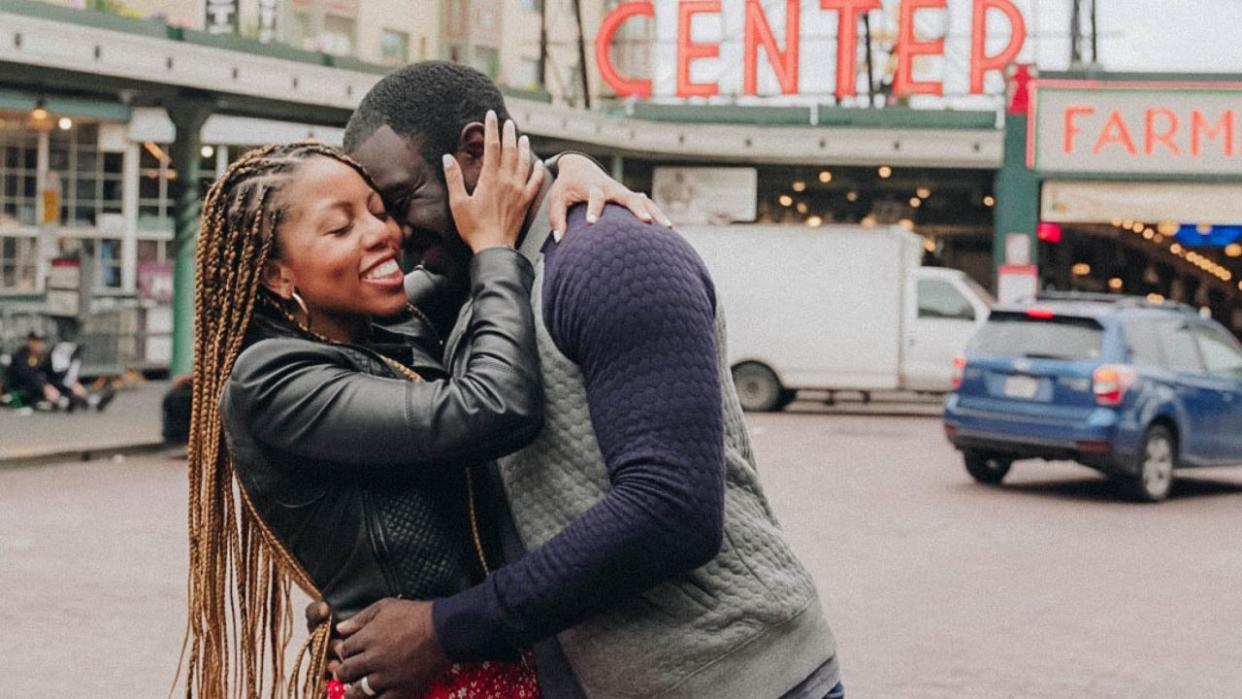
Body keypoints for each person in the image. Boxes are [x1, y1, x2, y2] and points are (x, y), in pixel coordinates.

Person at [324, 61, 843, 699]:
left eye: (403, 201)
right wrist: (375, 593)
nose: (396, 235)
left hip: (737, 681)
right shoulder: (478, 279)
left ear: (477, 151)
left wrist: (443, 629)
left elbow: (671, 510)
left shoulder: (611, 255)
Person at [181, 127, 666, 698]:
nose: (383, 235)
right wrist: (494, 250)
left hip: (482, 660)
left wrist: (570, 166)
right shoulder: (273, 381)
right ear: (275, 274)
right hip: (417, 681)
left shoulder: (384, 322)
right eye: (340, 228)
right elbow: (493, 408)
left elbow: (491, 209)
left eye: (379, 212)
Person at [3, 331, 112, 412]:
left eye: (41, 342)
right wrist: (45, 386)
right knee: (47, 388)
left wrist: (69, 383)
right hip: (22, 387)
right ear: (30, 342)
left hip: (40, 383)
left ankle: (91, 401)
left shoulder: (42, 356)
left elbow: (48, 372)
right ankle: (64, 402)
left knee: (64, 384)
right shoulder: (21, 355)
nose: (40, 344)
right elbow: (28, 375)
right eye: (37, 342)